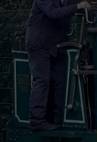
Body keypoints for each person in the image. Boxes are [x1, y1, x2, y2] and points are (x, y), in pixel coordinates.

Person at [26, 0, 91, 131]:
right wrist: (78, 6)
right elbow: (53, 13)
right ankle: (37, 121)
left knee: (61, 80)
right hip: (39, 44)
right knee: (42, 81)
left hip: (54, 45)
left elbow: (66, 13)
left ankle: (57, 118)